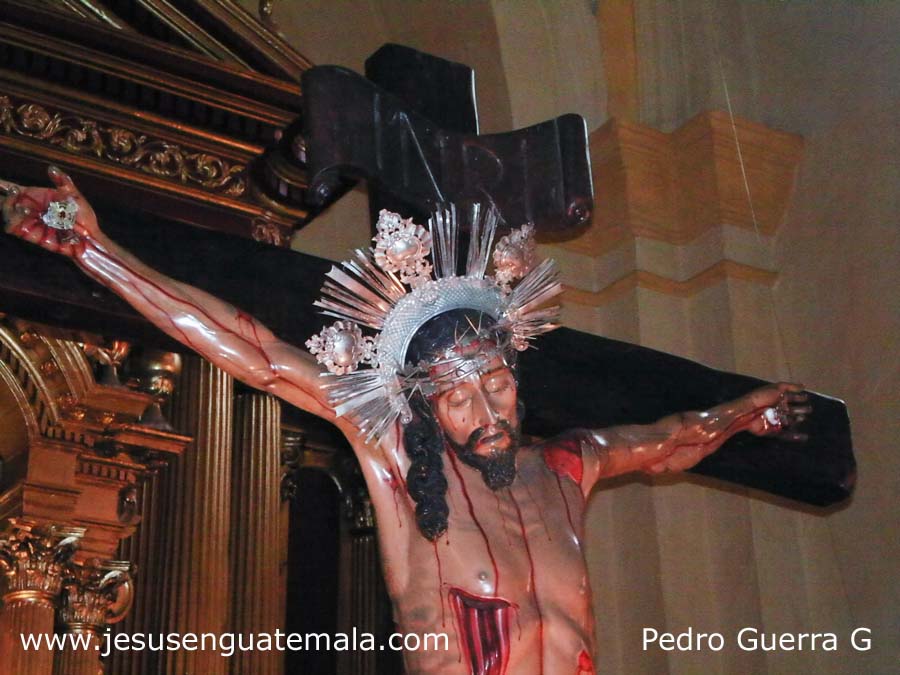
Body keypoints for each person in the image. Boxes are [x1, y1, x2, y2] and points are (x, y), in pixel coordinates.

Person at [2, 167, 809, 674]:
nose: (487, 413)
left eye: (497, 385)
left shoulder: (569, 468)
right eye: (457, 398)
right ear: (424, 403)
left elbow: (676, 436)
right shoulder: (392, 458)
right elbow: (258, 354)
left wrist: (751, 412)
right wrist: (94, 252)